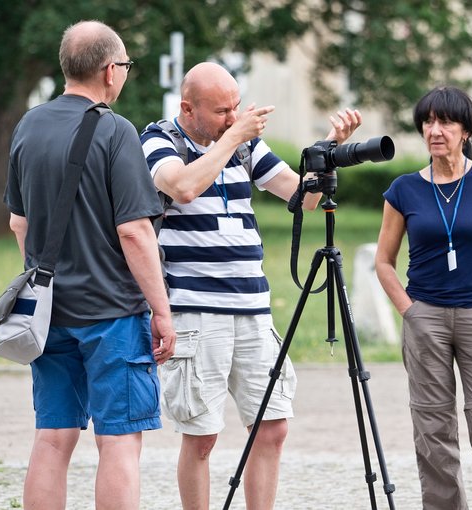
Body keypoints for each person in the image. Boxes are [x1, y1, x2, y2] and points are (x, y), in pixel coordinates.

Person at [140, 61, 361, 509]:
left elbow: (304, 197)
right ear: (188, 107)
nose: (234, 116)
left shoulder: (241, 143)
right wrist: (232, 137)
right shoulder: (158, 141)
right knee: (202, 435)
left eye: (237, 106)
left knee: (273, 424)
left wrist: (331, 150)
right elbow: (182, 188)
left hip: (253, 308)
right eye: (223, 110)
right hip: (196, 310)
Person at [4, 20, 176, 510]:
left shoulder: (27, 126)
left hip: (49, 312)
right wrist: (161, 311)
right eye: (124, 66)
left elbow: (19, 223)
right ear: (108, 70)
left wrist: (45, 282)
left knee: (53, 438)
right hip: (113, 315)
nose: (124, 75)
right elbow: (135, 232)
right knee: (119, 441)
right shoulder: (115, 131)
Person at [375, 86, 472, 510]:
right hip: (424, 316)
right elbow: (384, 262)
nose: (435, 130)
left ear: (465, 130)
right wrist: (409, 312)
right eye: (427, 122)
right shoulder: (404, 190)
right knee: (433, 434)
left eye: (445, 121)